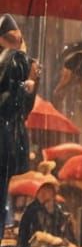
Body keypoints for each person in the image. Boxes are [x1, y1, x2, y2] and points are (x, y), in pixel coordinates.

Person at [0, 16, 37, 227]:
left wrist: (31, 83)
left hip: (7, 148)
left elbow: (23, 110)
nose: (17, 44)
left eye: (19, 40)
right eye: (11, 39)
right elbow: (7, 104)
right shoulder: (11, 60)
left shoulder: (17, 64)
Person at [16, 177, 75, 247]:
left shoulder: (61, 213)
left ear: (53, 193)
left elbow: (70, 241)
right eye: (40, 189)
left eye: (47, 189)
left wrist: (52, 240)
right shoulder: (30, 210)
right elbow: (22, 237)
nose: (42, 192)